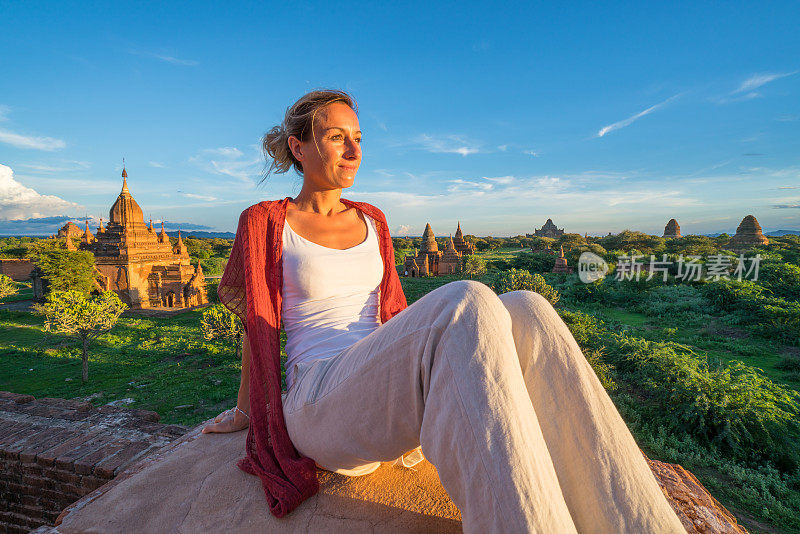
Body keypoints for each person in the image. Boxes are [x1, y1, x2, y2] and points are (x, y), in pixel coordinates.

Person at [202, 89, 685, 533]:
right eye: (336, 138)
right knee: (466, 299)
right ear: (299, 148)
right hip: (318, 397)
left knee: (529, 308)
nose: (354, 151)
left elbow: (391, 314)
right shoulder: (265, 221)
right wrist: (247, 412)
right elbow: (257, 323)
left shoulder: (373, 219)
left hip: (378, 388)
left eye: (358, 138)